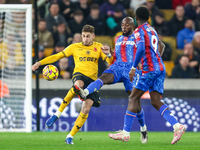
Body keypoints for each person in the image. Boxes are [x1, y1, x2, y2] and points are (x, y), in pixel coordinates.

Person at [108, 6, 185, 145]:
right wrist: (155, 61)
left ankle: (125, 133)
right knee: (155, 101)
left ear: (136, 18)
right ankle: (177, 125)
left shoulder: (139, 30)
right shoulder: (152, 29)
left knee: (133, 97)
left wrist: (133, 67)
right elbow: (162, 45)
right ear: (148, 18)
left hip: (148, 69)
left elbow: (142, 48)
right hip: (160, 68)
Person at [73, 17, 157, 144]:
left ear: (132, 26)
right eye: (122, 24)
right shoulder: (117, 38)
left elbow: (144, 52)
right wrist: (109, 53)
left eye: (127, 25)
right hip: (117, 67)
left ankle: (143, 128)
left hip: (131, 71)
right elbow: (116, 56)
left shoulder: (137, 37)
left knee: (135, 102)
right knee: (103, 77)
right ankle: (84, 92)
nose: (124, 27)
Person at [31, 25, 113, 144]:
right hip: (79, 74)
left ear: (93, 36)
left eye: (88, 36)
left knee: (86, 108)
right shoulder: (74, 47)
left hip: (92, 81)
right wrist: (39, 63)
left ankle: (70, 136)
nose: (85, 39)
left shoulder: (99, 47)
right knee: (78, 85)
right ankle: (57, 114)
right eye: (83, 36)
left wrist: (109, 55)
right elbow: (57, 56)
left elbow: (109, 62)